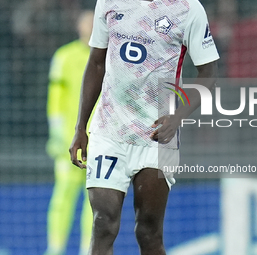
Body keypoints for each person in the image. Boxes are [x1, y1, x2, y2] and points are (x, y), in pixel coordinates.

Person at [69, 0, 219, 254]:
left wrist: (178, 116)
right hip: (109, 130)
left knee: (148, 231)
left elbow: (209, 72)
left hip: (156, 136)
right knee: (103, 223)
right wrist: (80, 126)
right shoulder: (108, 2)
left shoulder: (188, 9)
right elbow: (96, 62)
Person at [44, 11, 94, 255]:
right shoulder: (64, 56)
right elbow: (55, 98)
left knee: (94, 200)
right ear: (78, 25)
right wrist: (56, 133)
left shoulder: (107, 57)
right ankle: (55, 248)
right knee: (63, 196)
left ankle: (88, 249)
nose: (90, 26)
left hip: (99, 141)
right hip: (67, 141)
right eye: (86, 20)